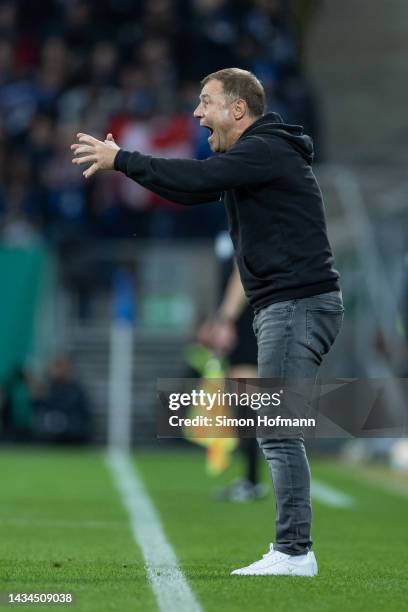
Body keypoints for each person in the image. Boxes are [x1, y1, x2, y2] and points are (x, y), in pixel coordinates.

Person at [71, 67, 344, 577]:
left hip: (296, 303)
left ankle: (293, 551)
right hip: (286, 304)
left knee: (277, 425)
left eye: (206, 102)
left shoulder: (263, 150)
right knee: (274, 423)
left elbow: (196, 179)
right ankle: (292, 547)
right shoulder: (258, 154)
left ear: (238, 109)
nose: (197, 114)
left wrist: (121, 160)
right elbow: (194, 189)